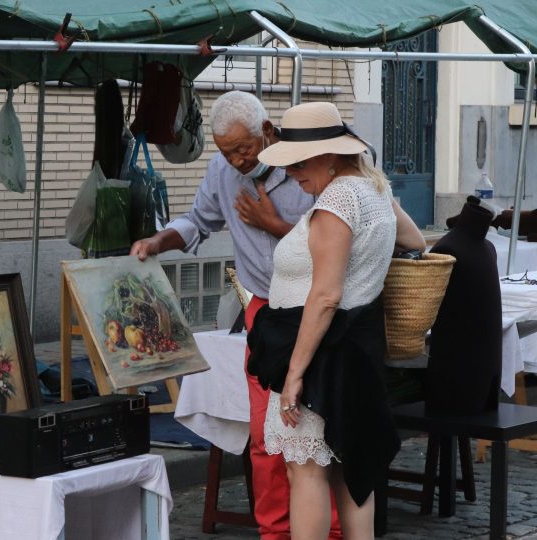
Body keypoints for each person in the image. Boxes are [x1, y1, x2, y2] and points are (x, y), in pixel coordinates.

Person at [128, 91, 344, 539]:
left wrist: (274, 226)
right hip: (263, 311)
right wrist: (158, 242)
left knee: (318, 434)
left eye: (243, 149)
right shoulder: (222, 172)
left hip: (316, 309)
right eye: (227, 153)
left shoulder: (306, 169)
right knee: (265, 436)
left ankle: (331, 532)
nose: (237, 161)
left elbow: (336, 245)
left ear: (267, 131)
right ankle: (274, 532)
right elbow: (197, 222)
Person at [248, 102, 425, 539]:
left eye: (300, 162)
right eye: (288, 163)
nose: (293, 173)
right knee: (352, 471)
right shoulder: (372, 189)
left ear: (331, 154)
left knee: (306, 470)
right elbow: (414, 239)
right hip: (354, 351)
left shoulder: (339, 198)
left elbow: (325, 295)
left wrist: (294, 375)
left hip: (321, 352)